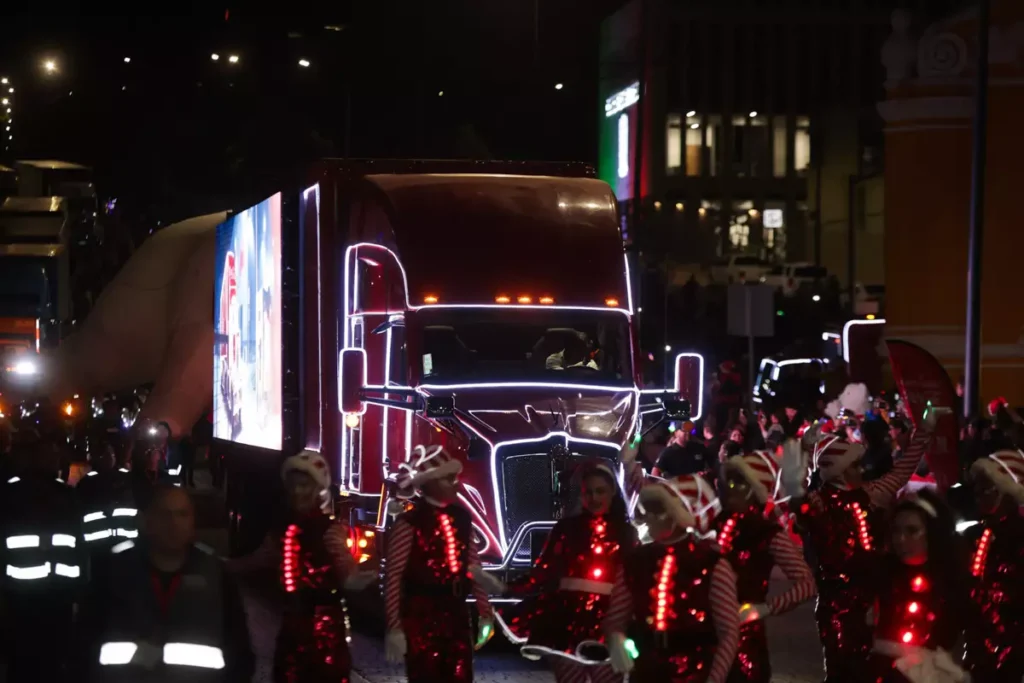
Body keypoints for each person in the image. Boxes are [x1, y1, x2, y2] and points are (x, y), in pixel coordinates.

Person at [780, 408, 940, 683]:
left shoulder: (870, 494)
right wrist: (805, 451)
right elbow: (795, 496)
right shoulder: (820, 504)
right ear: (839, 472)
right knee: (844, 671)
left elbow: (901, 472)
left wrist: (924, 431)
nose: (861, 469)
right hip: (838, 604)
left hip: (877, 599)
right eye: (854, 465)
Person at [78, 484, 253, 683]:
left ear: (193, 521)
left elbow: (239, 653)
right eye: (165, 514)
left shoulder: (216, 575)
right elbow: (84, 646)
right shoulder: (112, 573)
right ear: (146, 521)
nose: (174, 523)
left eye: (182, 514)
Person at [229, 449, 376, 683]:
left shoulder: (329, 531)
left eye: (305, 486)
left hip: (324, 630)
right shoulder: (282, 531)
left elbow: (347, 571)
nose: (298, 492)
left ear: (318, 489)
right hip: (293, 625)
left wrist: (362, 576)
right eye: (294, 486)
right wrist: (221, 566)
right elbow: (257, 560)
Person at [499, 459, 637, 683]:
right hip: (565, 619)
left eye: (600, 491)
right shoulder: (566, 529)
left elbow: (635, 579)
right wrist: (508, 587)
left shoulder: (626, 534)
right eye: (588, 492)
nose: (594, 498)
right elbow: (543, 571)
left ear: (612, 491)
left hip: (608, 620)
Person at [603, 474, 740, 683]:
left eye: (655, 512)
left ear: (675, 515)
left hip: (696, 670)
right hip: (646, 670)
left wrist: (715, 679)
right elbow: (616, 618)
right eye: (647, 511)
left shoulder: (711, 562)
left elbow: (729, 630)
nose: (647, 519)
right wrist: (616, 640)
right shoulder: (635, 561)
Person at [384, 444, 497, 683]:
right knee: (425, 673)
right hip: (421, 615)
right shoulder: (409, 523)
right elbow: (394, 575)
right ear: (429, 483)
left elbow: (473, 565)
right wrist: (394, 626)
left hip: (456, 611)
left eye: (454, 478)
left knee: (460, 673)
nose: (456, 485)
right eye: (448, 479)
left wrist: (485, 612)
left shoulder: (462, 519)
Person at [716, 451, 817, 683]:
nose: (727, 488)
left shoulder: (766, 533)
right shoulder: (712, 524)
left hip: (743, 640)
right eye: (726, 481)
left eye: (737, 482)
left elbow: (807, 583)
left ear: (754, 488)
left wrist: (765, 608)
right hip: (707, 638)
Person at [1, 443, 86, 683]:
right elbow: (79, 544)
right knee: (52, 656)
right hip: (55, 591)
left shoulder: (10, 493)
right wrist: (81, 585)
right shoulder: (66, 494)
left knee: (23, 658)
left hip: (22, 593)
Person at [867, 489, 970, 683]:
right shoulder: (881, 575)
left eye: (912, 531)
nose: (901, 539)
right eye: (896, 530)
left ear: (932, 532)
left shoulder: (951, 583)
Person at [962, 449, 1024, 681]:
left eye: (985, 487)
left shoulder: (1017, 537)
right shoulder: (982, 532)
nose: (977, 494)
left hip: (1010, 646)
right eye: (976, 487)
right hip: (981, 639)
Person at [76, 441, 137, 552]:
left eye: (112, 454)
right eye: (104, 455)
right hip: (97, 544)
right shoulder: (87, 482)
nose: (109, 458)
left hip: (126, 541)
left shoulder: (125, 478)